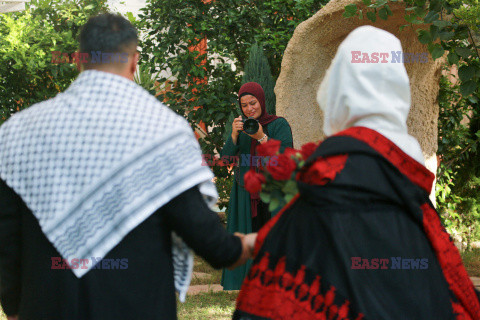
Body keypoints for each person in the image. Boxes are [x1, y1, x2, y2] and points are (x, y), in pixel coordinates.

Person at [0, 13, 256, 320]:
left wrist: (13, 307)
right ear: (134, 62)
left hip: (47, 307)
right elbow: (210, 242)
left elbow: (6, 235)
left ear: (80, 60)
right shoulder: (163, 131)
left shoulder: (19, 131)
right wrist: (256, 241)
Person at [233, 26, 480, 319]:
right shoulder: (407, 154)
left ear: (337, 87)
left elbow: (300, 234)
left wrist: (250, 242)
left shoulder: (335, 165)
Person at [220, 82, 293, 291]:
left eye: (253, 103)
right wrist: (234, 135)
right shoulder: (242, 128)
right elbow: (225, 161)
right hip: (246, 192)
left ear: (261, 101)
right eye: (244, 105)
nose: (249, 108)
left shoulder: (279, 124)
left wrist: (261, 137)